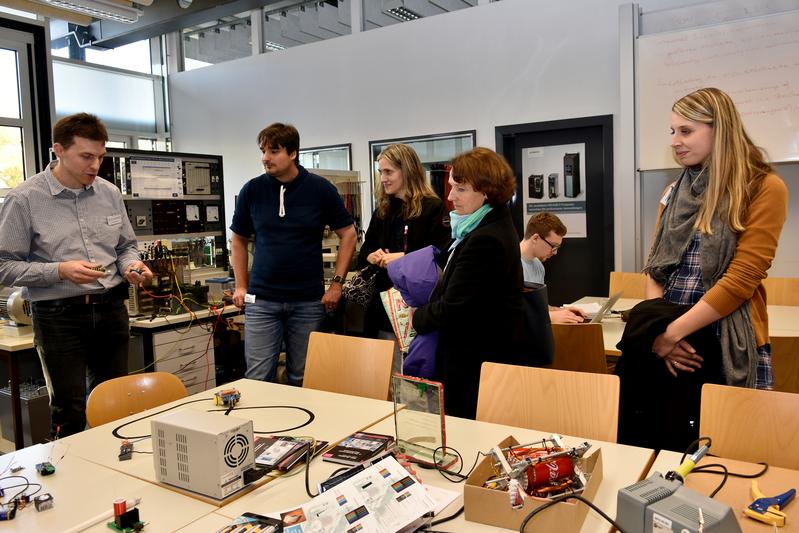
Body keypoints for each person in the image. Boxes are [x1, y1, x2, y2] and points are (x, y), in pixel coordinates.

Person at [0, 113, 153, 437]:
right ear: (59, 150)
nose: (95, 165)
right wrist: (59, 271)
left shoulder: (109, 193)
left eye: (100, 156)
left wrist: (130, 266)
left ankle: (113, 474)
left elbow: (126, 245)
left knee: (114, 402)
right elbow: (3, 266)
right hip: (59, 316)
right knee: (69, 409)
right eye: (86, 156)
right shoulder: (24, 199)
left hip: (111, 308)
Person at [644, 87, 787, 389]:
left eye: (686, 131)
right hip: (668, 341)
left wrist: (671, 334)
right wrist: (657, 330)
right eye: (673, 131)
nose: (674, 141)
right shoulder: (673, 191)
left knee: (730, 434)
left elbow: (742, 279)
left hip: (723, 339)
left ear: (719, 130)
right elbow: (656, 268)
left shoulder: (764, 187)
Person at [230, 123, 356, 386]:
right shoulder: (251, 191)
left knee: (304, 378)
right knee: (257, 379)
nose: (266, 157)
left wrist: (337, 284)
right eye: (263, 150)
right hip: (262, 302)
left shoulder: (320, 190)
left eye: (274, 151)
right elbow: (238, 240)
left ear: (293, 153)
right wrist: (241, 285)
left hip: (307, 303)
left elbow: (349, 234)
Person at [411, 147, 524, 419]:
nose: (450, 197)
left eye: (460, 189)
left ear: (487, 191)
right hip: (476, 355)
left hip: (473, 360)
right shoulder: (482, 226)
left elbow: (456, 308)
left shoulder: (486, 238)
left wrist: (417, 317)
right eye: (452, 188)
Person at [357, 144, 449, 368]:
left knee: (414, 380)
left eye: (388, 172)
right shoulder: (384, 210)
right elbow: (364, 252)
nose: (383, 179)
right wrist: (373, 256)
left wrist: (402, 259)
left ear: (407, 170)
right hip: (382, 311)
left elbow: (443, 256)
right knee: (383, 381)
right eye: (381, 172)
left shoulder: (432, 208)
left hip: (416, 311)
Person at [520, 212, 586, 324]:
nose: (555, 253)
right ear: (535, 238)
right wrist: (550, 317)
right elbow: (508, 313)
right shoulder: (508, 265)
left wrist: (559, 311)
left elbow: (537, 306)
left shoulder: (538, 265)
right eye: (553, 246)